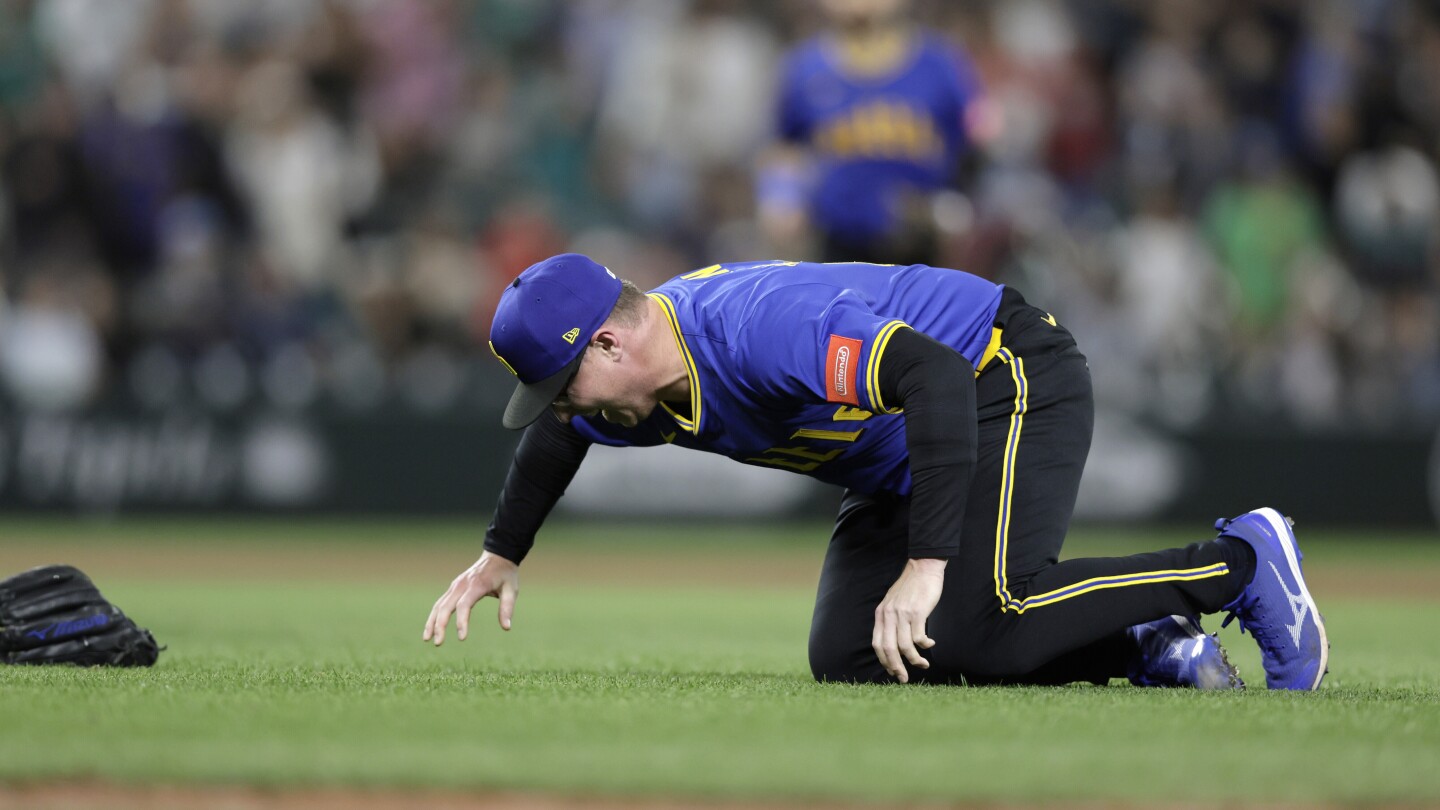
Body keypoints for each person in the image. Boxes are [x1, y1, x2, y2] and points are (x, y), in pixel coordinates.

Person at [423, 254, 1330, 691]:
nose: (562, 407)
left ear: (611, 341)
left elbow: (931, 374)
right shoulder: (623, 394)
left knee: (983, 615)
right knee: (855, 655)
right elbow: (555, 440)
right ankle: (1141, 644)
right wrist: (502, 552)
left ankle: (1240, 563)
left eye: (562, 382)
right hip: (906, 450)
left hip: (1000, 371)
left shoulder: (754, 326)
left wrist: (928, 564)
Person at [758, 0, 982, 266]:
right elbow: (784, 147)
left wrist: (960, 207)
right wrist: (782, 196)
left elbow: (975, 142)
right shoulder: (805, 68)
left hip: (925, 243)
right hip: (840, 241)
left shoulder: (940, 64)